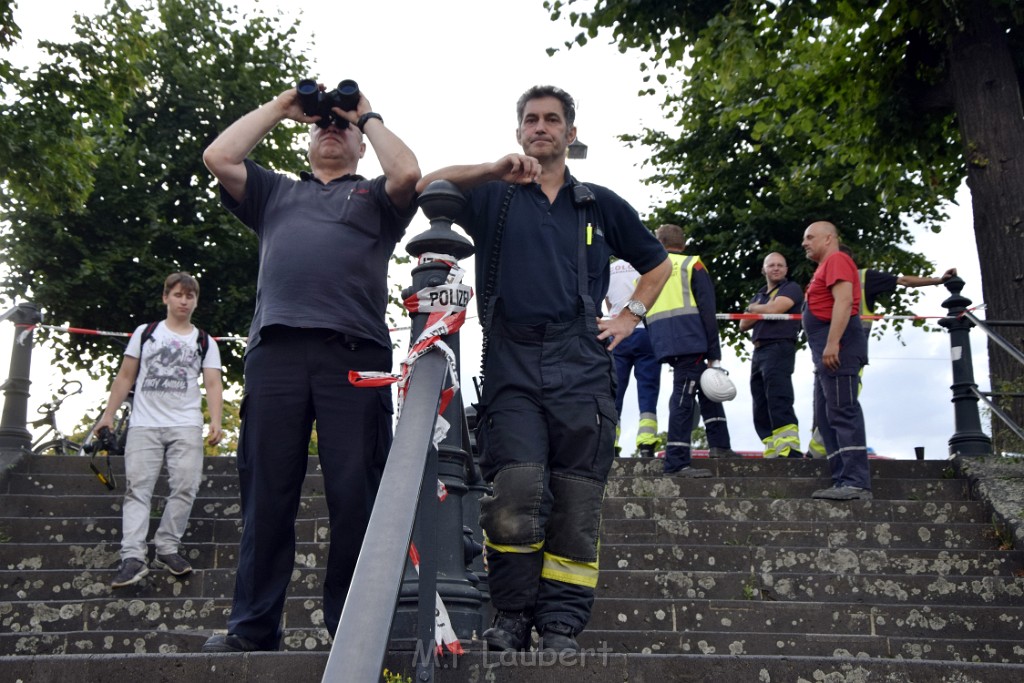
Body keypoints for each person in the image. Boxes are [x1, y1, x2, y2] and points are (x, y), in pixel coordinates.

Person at [415, 85, 671, 654]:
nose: (541, 127)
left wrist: (629, 315)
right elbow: (426, 184)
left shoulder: (598, 202)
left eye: (552, 120)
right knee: (515, 490)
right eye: (531, 120)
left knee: (577, 500)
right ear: (519, 132)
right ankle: (510, 616)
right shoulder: (495, 197)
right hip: (511, 358)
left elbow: (658, 265)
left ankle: (559, 625)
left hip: (581, 360)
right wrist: (491, 169)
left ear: (570, 133)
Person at [200, 81, 420, 652]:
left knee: (356, 495)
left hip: (354, 354)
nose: (331, 127)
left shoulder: (375, 194)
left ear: (360, 142)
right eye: (322, 122)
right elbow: (219, 156)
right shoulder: (274, 191)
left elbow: (408, 174)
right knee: (267, 493)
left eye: (341, 125)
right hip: (276, 354)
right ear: (304, 139)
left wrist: (365, 113)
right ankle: (252, 629)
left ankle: (353, 626)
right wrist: (280, 106)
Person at [101, 272, 224, 588]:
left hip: (185, 423)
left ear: (195, 301)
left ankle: (167, 547)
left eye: (190, 296)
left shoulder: (204, 341)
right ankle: (132, 557)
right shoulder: (146, 333)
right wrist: (108, 416)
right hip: (145, 424)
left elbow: (212, 382)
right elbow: (125, 377)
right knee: (137, 489)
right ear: (166, 297)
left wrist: (216, 419)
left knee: (186, 485)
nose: (184, 301)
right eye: (179, 294)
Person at [807, 251, 956, 457]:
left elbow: (903, 281)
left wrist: (938, 280)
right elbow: (904, 281)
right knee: (836, 399)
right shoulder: (853, 277)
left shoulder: (846, 277)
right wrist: (938, 280)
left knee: (837, 400)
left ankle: (822, 453)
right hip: (839, 347)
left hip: (840, 348)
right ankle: (823, 451)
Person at [646, 224, 736, 478]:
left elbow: (640, 308)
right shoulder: (692, 265)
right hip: (692, 339)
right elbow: (707, 309)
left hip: (665, 342)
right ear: (683, 245)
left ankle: (720, 445)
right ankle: (675, 462)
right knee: (684, 398)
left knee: (707, 390)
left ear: (659, 243)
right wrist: (714, 352)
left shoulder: (649, 270)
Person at [800, 221, 871, 500]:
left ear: (828, 238)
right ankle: (842, 479)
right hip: (825, 355)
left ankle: (856, 482)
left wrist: (832, 344)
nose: (804, 243)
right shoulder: (825, 266)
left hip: (837, 350)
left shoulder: (838, 260)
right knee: (827, 416)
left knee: (843, 411)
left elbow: (843, 302)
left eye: (810, 237)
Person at [739, 252, 804, 458]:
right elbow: (743, 324)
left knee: (778, 396)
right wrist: (761, 309)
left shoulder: (790, 288)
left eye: (780, 265)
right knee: (760, 401)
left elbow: (776, 308)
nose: (776, 268)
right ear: (764, 269)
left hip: (779, 346)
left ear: (786, 269)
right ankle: (772, 447)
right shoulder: (760, 294)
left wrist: (754, 309)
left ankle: (789, 447)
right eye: (772, 265)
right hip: (759, 350)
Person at [605, 259, 661, 457]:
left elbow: (608, 301)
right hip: (645, 330)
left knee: (614, 390)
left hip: (618, 333)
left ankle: (611, 442)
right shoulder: (647, 264)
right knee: (648, 389)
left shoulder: (610, 269)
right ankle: (647, 444)